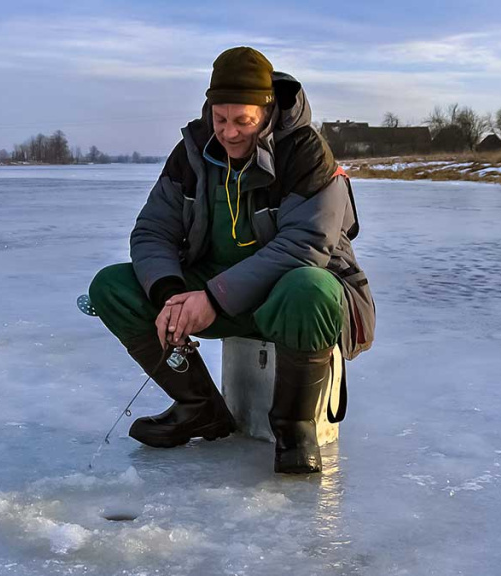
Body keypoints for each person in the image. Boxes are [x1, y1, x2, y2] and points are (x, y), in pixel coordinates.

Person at [88, 46, 375, 474]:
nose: (229, 132)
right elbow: (152, 231)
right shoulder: (191, 151)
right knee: (112, 287)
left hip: (296, 299)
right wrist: (171, 294)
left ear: (267, 109)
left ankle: (295, 427)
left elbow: (305, 246)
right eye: (220, 119)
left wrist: (213, 299)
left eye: (243, 120)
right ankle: (198, 405)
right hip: (214, 290)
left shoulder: (305, 153)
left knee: (308, 286)